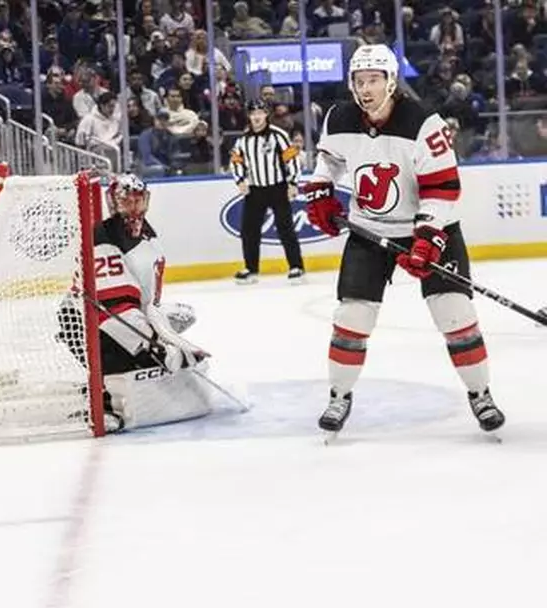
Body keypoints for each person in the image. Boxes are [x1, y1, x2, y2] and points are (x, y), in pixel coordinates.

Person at [300, 44, 505, 435]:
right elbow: (329, 160)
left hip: (431, 228)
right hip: (369, 229)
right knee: (351, 317)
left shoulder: (424, 123)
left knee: (455, 313)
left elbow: (443, 187)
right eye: (359, 80)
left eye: (374, 79)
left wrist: (427, 237)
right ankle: (339, 396)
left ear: (391, 82)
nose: (366, 88)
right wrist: (321, 189)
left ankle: (480, 394)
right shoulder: (339, 117)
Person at [57, 174, 211, 430]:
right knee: (145, 357)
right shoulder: (101, 238)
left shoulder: (148, 238)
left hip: (123, 320)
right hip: (86, 322)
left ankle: (120, 374)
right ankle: (103, 399)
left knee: (184, 316)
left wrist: (175, 342)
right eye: (128, 203)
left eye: (139, 202)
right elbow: (113, 309)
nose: (135, 209)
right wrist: (153, 346)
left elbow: (148, 305)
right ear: (114, 204)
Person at [229, 100, 304, 284]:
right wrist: (240, 180)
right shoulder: (243, 139)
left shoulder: (278, 135)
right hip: (255, 190)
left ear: (266, 115)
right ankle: (251, 269)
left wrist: (293, 182)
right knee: (249, 231)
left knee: (286, 228)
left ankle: (296, 266)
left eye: (260, 113)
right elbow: (236, 161)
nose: (256, 117)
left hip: (277, 188)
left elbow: (292, 159)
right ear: (248, 116)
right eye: (253, 113)